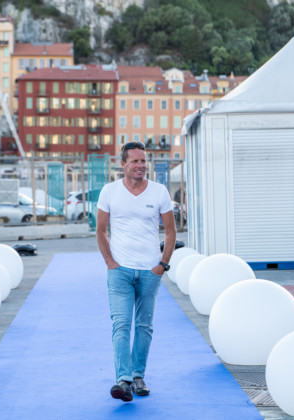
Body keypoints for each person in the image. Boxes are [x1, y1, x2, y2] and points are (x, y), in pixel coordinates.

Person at [96, 141, 177, 402]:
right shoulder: (109, 191)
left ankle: (138, 375)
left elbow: (171, 231)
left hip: (150, 271)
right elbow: (100, 230)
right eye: (135, 161)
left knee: (144, 326)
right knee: (121, 324)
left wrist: (162, 265)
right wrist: (110, 262)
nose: (141, 165)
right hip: (119, 271)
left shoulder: (159, 191)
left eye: (144, 161)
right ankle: (124, 380)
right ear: (123, 164)